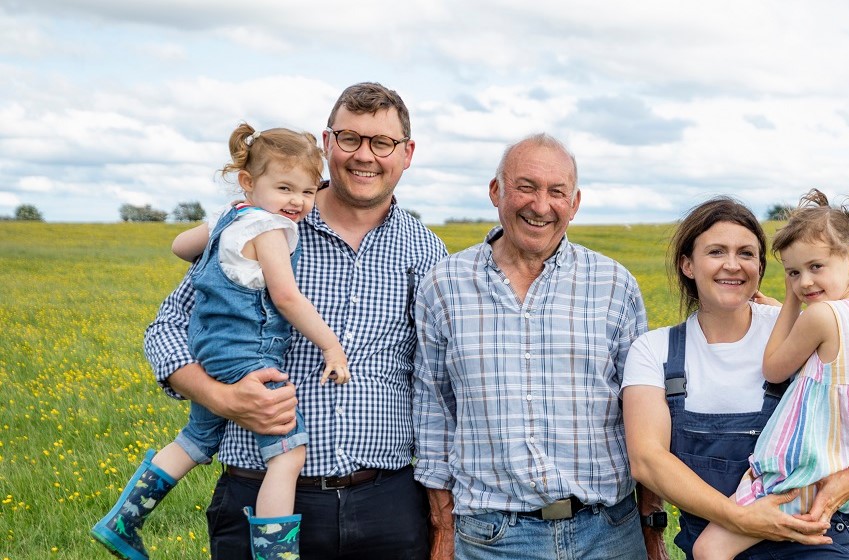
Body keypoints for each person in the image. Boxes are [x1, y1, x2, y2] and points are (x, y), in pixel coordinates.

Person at [141, 82, 447, 559]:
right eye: (350, 138)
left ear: (406, 153)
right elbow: (166, 329)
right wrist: (221, 397)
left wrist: (441, 517)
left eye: (381, 143)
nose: (365, 155)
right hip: (257, 492)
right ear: (327, 145)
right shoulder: (265, 222)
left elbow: (437, 379)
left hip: (386, 507)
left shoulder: (425, 249)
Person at [93, 123, 351, 560]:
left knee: (195, 440)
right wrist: (330, 345)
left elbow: (179, 245)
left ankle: (123, 521)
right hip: (249, 356)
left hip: (208, 353)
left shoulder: (230, 216)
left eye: (307, 192)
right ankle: (274, 554)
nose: (297, 202)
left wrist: (224, 223)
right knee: (288, 455)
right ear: (250, 183)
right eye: (285, 187)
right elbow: (286, 296)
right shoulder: (269, 229)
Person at [623, 196, 849, 559]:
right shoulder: (654, 350)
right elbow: (647, 460)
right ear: (688, 264)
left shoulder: (796, 326)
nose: (732, 265)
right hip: (720, 539)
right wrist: (742, 519)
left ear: (763, 268)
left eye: (747, 254)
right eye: (716, 252)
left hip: (812, 538)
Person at [413, 133, 653, 560]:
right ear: (495, 191)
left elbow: (645, 416)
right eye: (526, 187)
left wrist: (652, 528)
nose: (541, 206)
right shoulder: (444, 285)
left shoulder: (614, 285)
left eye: (556, 192)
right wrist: (442, 525)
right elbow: (434, 407)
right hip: (493, 538)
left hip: (609, 532)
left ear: (574, 203)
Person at [691, 189, 849, 559]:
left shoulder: (820, 317)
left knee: (708, 549)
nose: (804, 282)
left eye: (815, 267)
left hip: (802, 470)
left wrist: (789, 301)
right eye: (793, 273)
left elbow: (773, 368)